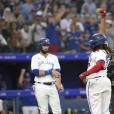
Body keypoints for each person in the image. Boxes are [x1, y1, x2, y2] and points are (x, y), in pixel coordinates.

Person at [79, 8, 112, 114]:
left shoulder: (98, 52)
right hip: (105, 81)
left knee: (96, 112)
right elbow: (101, 34)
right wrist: (103, 18)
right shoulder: (105, 50)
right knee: (105, 111)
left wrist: (85, 73)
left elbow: (100, 65)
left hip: (95, 82)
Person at [31, 38, 64, 114]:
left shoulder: (54, 57)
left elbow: (57, 73)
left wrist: (59, 84)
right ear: (40, 46)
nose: (46, 47)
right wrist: (50, 71)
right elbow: (36, 72)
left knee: (57, 111)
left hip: (52, 86)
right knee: (44, 111)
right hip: (40, 85)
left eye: (47, 45)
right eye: (44, 45)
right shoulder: (35, 57)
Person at [107, 49, 114, 114]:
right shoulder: (110, 63)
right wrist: (112, 74)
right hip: (112, 86)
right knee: (112, 104)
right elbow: (106, 74)